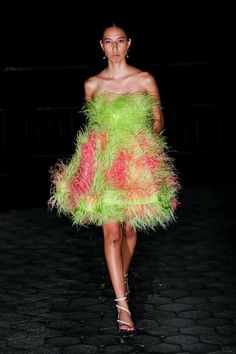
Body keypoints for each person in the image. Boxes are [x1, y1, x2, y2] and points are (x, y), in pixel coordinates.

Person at [49, 22, 180, 334]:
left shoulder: (144, 78)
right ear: (101, 46)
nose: (115, 47)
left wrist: (144, 144)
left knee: (130, 231)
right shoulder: (92, 84)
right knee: (112, 234)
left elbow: (158, 120)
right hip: (105, 166)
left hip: (136, 163)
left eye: (120, 41)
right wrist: (89, 163)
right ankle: (123, 307)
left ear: (129, 43)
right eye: (109, 42)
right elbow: (96, 128)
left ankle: (119, 276)